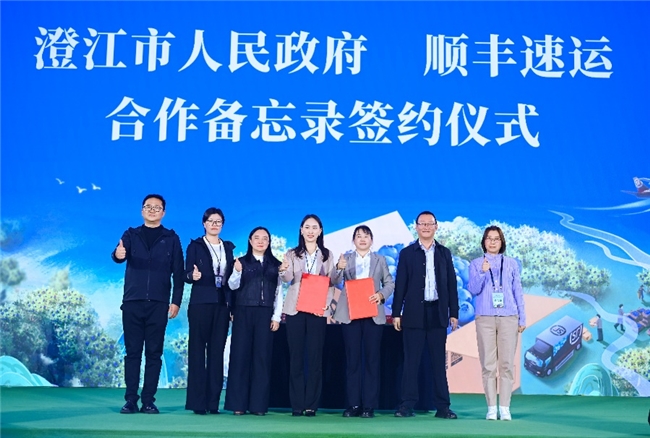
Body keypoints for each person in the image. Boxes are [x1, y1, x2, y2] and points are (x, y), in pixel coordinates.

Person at [112, 194, 184, 414]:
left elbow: (178, 273)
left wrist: (175, 301)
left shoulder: (171, 238)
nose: (152, 210)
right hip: (132, 302)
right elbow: (118, 255)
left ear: (164, 212)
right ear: (142, 210)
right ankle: (130, 400)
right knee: (133, 353)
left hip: (159, 304)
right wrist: (118, 254)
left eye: (157, 207)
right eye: (148, 207)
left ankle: (148, 401)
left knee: (154, 353)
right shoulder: (131, 234)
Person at [391, 211, 459, 419]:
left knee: (438, 363)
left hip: (437, 313)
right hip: (414, 313)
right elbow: (400, 284)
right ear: (416, 227)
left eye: (430, 224)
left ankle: (443, 407)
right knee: (411, 362)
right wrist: (396, 312)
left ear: (436, 226)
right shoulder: (407, 253)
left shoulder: (444, 253)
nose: (426, 227)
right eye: (422, 224)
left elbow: (451, 284)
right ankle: (406, 405)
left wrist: (454, 312)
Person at [331, 225, 395, 419]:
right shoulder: (346, 259)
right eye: (358, 236)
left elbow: (389, 283)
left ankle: (369, 405)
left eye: (366, 236)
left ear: (371, 240)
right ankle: (353, 404)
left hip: (372, 314)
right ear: (354, 240)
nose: (362, 239)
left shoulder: (380, 260)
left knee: (371, 361)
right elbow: (334, 280)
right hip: (350, 314)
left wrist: (380, 295)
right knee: (353, 361)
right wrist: (339, 268)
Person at [279, 214, 338, 417]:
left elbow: (332, 281)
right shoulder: (292, 253)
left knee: (314, 358)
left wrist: (339, 269)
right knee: (296, 358)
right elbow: (287, 278)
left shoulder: (327, 255)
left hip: (317, 308)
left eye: (314, 227)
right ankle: (297, 404)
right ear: (301, 230)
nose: (310, 231)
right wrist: (283, 270)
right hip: (295, 309)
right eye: (307, 227)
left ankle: (311, 404)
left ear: (320, 231)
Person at [467, 226, 526, 421]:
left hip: (509, 316)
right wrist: (482, 272)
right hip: (485, 318)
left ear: (502, 242)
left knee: (507, 364)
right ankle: (492, 407)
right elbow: (473, 289)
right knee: (488, 364)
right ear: (483, 242)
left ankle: (505, 407)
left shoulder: (511, 264)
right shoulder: (476, 264)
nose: (492, 242)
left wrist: (522, 317)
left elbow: (518, 291)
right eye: (489, 238)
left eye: (496, 239)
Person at [225, 227, 283, 416]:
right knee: (240, 357)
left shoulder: (276, 265)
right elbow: (232, 285)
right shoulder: (241, 262)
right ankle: (238, 404)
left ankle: (259, 405)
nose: (260, 241)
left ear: (269, 242)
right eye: (256, 238)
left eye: (264, 238)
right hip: (243, 312)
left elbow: (278, 293)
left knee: (262, 358)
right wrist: (237, 272)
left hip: (265, 314)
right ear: (250, 241)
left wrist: (276, 317)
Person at [183, 208, 235, 415]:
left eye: (218, 221)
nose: (215, 224)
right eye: (211, 221)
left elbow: (231, 279)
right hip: (200, 303)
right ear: (204, 224)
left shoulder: (228, 248)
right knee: (197, 352)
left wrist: (232, 306)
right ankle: (198, 403)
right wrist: (192, 276)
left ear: (222, 225)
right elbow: (186, 273)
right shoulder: (195, 246)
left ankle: (213, 403)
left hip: (222, 305)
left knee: (216, 353)